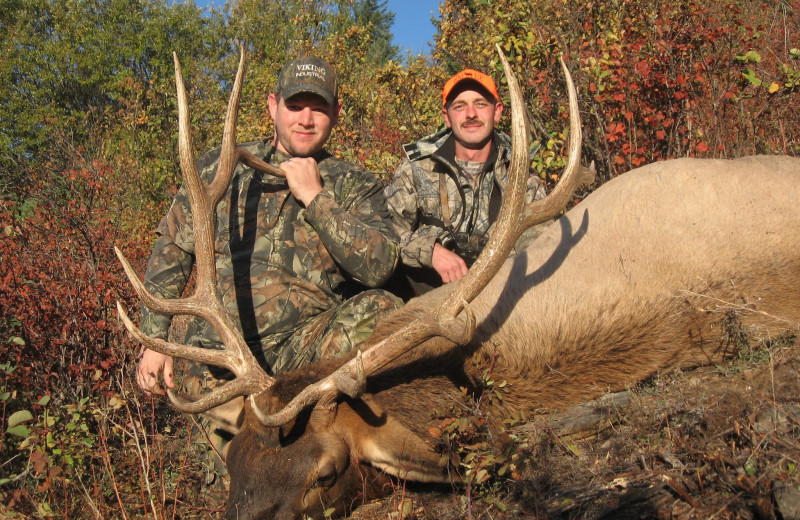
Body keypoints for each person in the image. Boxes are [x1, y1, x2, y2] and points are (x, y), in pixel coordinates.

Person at [134, 56, 402, 486]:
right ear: (272, 106)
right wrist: (155, 338)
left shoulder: (353, 182)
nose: (306, 119)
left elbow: (380, 267)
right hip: (225, 355)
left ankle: (318, 437)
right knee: (234, 477)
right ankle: (248, 457)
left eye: (318, 108)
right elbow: (173, 247)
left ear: (334, 114)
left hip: (308, 357)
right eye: (296, 106)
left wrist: (316, 198)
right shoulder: (218, 167)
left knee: (386, 308)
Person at [384, 68, 550, 299]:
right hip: (428, 297)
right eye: (459, 106)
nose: (471, 114)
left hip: (500, 296)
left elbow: (541, 244)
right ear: (446, 116)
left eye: (481, 104)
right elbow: (384, 232)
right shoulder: (417, 169)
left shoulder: (522, 176)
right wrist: (430, 251)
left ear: (497, 112)